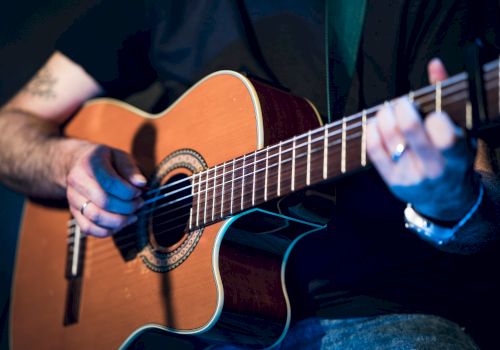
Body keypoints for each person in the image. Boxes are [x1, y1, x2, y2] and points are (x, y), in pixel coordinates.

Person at [1, 0, 499, 348]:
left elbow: (482, 225)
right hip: (195, 336)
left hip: (381, 313)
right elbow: (9, 129)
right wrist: (67, 161)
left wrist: (448, 197)